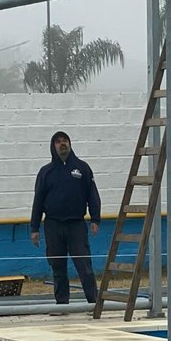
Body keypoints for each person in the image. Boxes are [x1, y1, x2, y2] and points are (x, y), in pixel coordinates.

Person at [30, 131, 102, 306]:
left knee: (84, 266)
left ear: (70, 144)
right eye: (58, 141)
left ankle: (94, 303)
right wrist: (34, 228)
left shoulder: (82, 168)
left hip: (76, 225)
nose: (62, 144)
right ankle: (62, 304)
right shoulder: (45, 172)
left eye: (65, 141)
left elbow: (92, 194)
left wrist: (95, 219)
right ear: (53, 146)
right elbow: (38, 201)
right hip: (53, 225)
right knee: (57, 267)